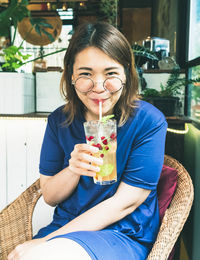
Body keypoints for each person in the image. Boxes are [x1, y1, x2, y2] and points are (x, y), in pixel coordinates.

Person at [8, 22, 167, 260]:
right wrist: (73, 169)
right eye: (86, 74)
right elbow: (50, 196)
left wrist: (44, 242)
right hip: (67, 227)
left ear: (126, 72)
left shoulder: (148, 121)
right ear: (71, 75)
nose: (99, 88)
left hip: (121, 233)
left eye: (111, 73)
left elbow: (125, 203)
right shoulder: (59, 121)